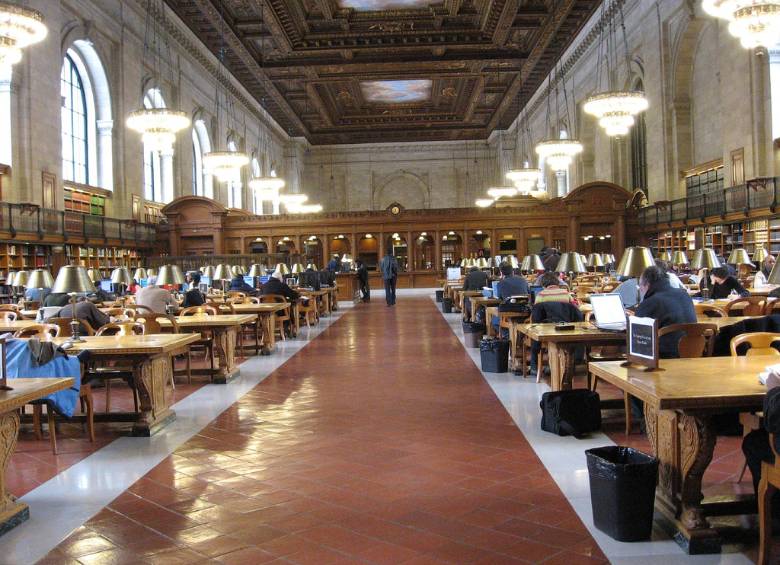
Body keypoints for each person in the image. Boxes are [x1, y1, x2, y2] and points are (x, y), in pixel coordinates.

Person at [635, 265, 697, 358]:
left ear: (647, 285)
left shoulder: (651, 302)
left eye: (640, 286)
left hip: (664, 358)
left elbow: (638, 335)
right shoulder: (684, 295)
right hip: (693, 354)